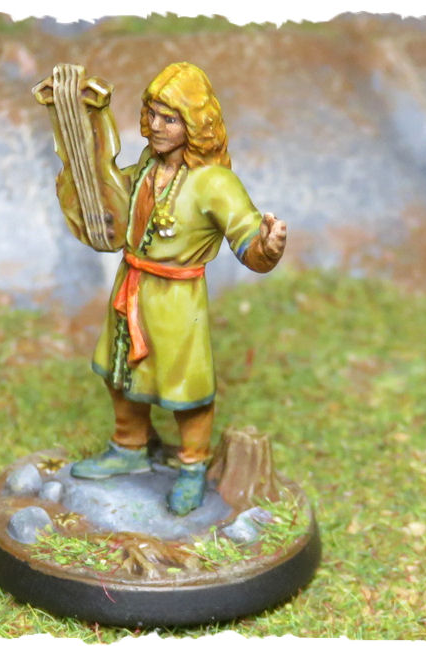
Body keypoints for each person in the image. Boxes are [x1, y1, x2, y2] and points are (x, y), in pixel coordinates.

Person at [55, 62, 287, 515]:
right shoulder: (148, 164)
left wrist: (268, 244)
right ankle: (128, 446)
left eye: (170, 119)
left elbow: (247, 236)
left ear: (195, 124)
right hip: (133, 284)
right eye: (153, 115)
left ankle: (193, 466)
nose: (157, 126)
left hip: (178, 300)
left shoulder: (214, 181)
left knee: (186, 389)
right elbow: (116, 202)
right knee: (119, 371)